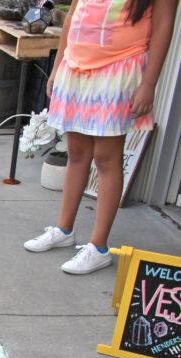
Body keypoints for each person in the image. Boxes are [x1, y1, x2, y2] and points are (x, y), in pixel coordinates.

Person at [23, 0, 177, 274]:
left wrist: (149, 83)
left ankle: (99, 247)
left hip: (119, 68)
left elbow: (164, 23)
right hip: (77, 65)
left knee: (107, 159)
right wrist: (59, 66)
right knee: (77, 153)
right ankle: (64, 229)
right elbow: (73, 14)